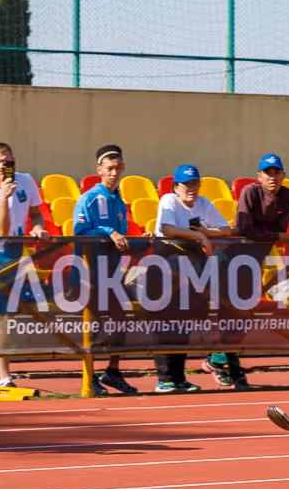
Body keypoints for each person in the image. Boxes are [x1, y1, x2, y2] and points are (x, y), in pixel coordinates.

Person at [205, 153, 289, 387]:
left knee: (245, 315)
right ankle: (233, 369)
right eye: (268, 172)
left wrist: (270, 235)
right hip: (228, 258)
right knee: (230, 314)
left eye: (277, 172)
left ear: (283, 175)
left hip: (253, 262)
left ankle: (217, 360)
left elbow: (280, 228)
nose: (273, 177)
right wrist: (274, 235)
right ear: (259, 176)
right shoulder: (250, 191)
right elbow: (245, 229)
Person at [151, 164, 232, 392]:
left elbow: (225, 229)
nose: (191, 189)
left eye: (195, 184)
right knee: (165, 322)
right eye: (186, 185)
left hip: (191, 271)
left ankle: (178, 377)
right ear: (176, 187)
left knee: (183, 323)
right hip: (165, 267)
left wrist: (204, 233)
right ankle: (163, 378)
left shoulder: (204, 203)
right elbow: (167, 228)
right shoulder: (168, 201)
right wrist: (198, 235)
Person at [0, 142, 48, 387]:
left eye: (7, 162)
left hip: (16, 254)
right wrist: (5, 197)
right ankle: (4, 376)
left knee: (0, 319)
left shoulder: (26, 180)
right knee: (1, 317)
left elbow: (36, 212)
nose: (3, 167)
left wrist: (37, 226)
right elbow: (2, 229)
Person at [73, 144, 138, 395]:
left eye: (118, 168)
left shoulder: (119, 201)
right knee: (95, 323)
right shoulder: (89, 198)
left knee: (120, 319)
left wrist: (139, 238)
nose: (114, 173)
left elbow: (122, 235)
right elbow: (80, 232)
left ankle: (112, 371)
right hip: (91, 273)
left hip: (113, 272)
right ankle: (88, 379)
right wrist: (107, 231)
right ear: (99, 170)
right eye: (109, 168)